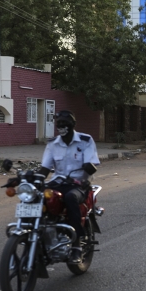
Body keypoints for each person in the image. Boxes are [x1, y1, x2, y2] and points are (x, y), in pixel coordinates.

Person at [38, 110, 100, 263]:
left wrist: (87, 171)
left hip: (79, 184)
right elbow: (45, 168)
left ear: (73, 125)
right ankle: (38, 236)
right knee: (37, 197)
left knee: (70, 197)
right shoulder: (53, 144)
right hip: (58, 183)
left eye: (65, 124)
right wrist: (36, 179)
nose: (61, 127)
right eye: (59, 124)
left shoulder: (85, 140)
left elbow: (90, 163)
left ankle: (77, 245)